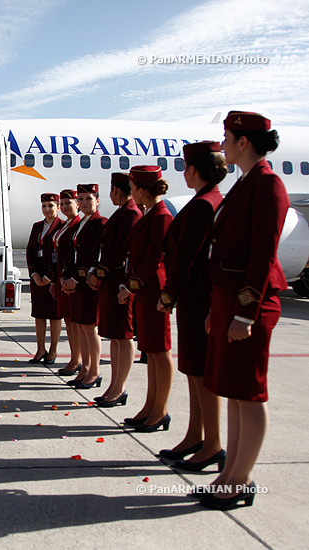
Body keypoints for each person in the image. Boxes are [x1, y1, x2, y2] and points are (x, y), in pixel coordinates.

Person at [197, 112, 289, 510]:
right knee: (234, 392)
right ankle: (229, 473)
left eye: (227, 137)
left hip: (249, 306)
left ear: (244, 142)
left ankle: (241, 479)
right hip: (229, 302)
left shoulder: (267, 185)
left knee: (249, 395)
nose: (223, 144)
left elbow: (263, 256)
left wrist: (244, 314)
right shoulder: (245, 183)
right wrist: (219, 309)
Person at [155, 141, 225, 470]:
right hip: (196, 297)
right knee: (193, 370)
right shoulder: (207, 200)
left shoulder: (202, 205)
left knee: (200, 372)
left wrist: (168, 294)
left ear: (194, 170)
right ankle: (196, 435)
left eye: (186, 167)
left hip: (198, 297)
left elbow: (185, 256)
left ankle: (212, 444)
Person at [118, 166, 174, 432]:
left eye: (132, 188)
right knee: (150, 351)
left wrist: (131, 286)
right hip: (146, 290)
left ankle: (160, 409)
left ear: (140, 190)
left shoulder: (161, 216)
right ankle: (150, 406)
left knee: (160, 352)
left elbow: (154, 258)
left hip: (153, 290)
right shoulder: (150, 214)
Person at [87, 173, 141, 407]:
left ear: (117, 190)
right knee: (116, 337)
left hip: (119, 281)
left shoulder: (130, 213)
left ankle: (120, 387)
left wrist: (98, 272)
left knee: (124, 336)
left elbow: (120, 251)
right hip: (110, 282)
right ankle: (114, 386)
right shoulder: (122, 212)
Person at [62, 184, 107, 389]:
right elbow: (74, 254)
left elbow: (93, 257)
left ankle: (94, 371)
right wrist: (65, 277)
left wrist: (77, 279)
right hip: (77, 283)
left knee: (90, 328)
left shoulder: (100, 223)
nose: (84, 202)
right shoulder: (81, 224)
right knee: (80, 326)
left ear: (97, 200)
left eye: (89, 198)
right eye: (81, 199)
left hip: (88, 283)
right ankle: (85, 368)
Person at [25, 193, 64, 364]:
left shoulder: (62, 226)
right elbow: (30, 251)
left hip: (53, 279)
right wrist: (34, 274)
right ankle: (40, 349)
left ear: (58, 207)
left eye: (50, 206)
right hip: (37, 278)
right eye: (44, 206)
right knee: (39, 314)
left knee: (55, 316)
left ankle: (53, 351)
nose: (47, 209)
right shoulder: (37, 227)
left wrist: (49, 277)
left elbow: (62, 255)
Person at [49, 190, 82, 376]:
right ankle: (74, 357)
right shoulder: (66, 225)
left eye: (68, 202)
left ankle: (77, 359)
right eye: (62, 203)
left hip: (71, 280)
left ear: (77, 204)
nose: (64, 207)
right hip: (62, 278)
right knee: (68, 320)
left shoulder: (78, 224)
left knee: (75, 322)